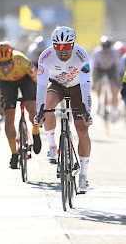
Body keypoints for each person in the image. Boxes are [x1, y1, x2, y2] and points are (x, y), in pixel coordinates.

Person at [34, 26, 92, 193]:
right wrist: (40, 111)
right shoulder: (45, 57)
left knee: (82, 130)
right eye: (58, 46)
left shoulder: (81, 55)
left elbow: (86, 85)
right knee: (49, 103)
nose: (63, 50)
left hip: (78, 89)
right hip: (57, 85)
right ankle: (52, 146)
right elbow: (42, 86)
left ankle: (83, 175)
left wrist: (87, 110)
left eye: (67, 46)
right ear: (53, 46)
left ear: (73, 45)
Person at [0, 41, 41, 169]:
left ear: (12, 58)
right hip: (7, 84)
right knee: (9, 118)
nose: (4, 67)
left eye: (7, 62)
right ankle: (14, 154)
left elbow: (37, 78)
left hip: (26, 80)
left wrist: (41, 97)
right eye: (0, 64)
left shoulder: (21, 60)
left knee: (32, 110)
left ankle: (35, 132)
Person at [92, 36, 121, 121]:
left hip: (111, 69)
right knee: (98, 83)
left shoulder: (114, 52)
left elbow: (117, 66)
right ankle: (99, 103)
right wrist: (94, 80)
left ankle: (114, 109)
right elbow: (94, 67)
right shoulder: (97, 52)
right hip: (100, 69)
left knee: (113, 87)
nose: (106, 51)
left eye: (108, 49)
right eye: (104, 49)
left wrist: (117, 78)